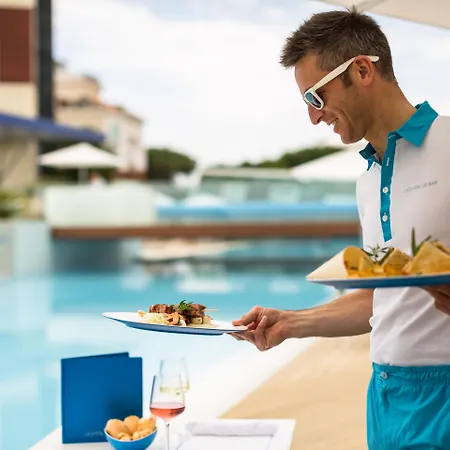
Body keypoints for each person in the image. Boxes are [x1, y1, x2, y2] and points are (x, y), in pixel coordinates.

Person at [232, 7, 450, 449]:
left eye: (316, 97)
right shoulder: (367, 181)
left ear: (363, 70)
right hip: (384, 396)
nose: (314, 117)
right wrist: (291, 322)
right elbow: (379, 298)